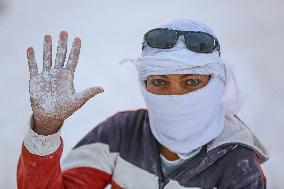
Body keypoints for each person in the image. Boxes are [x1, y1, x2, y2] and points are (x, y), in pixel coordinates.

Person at [17, 18, 269, 189]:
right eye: (160, 83)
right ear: (144, 86)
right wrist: (45, 129)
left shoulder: (237, 164)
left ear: (217, 85)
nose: (174, 96)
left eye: (191, 82)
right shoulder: (121, 133)